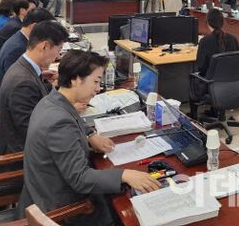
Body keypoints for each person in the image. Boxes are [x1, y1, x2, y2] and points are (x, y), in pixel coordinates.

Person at [18, 51, 160, 224]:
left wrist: (90, 137)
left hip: (45, 190)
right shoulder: (59, 121)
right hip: (61, 210)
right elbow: (80, 179)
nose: (98, 88)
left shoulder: (53, 101)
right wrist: (125, 174)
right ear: (76, 80)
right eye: (96, 81)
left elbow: (73, 129)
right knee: (129, 211)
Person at [0, 20, 69, 155]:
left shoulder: (24, 67)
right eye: (58, 50)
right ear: (44, 46)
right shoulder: (23, 83)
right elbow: (34, 132)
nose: (58, 56)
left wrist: (44, 81)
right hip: (21, 154)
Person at [0, 8, 55, 114]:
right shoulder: (17, 49)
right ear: (34, 27)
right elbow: (20, 85)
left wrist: (42, 77)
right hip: (7, 112)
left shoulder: (20, 39)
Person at [189, 9, 239, 119]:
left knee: (192, 76)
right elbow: (237, 65)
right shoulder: (233, 39)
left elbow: (201, 67)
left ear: (208, 23)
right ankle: (215, 111)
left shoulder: (205, 41)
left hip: (212, 86)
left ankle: (193, 116)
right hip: (233, 85)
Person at [0, 0, 35, 68]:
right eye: (32, 10)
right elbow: (21, 51)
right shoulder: (16, 27)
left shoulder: (15, 21)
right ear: (22, 10)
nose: (34, 12)